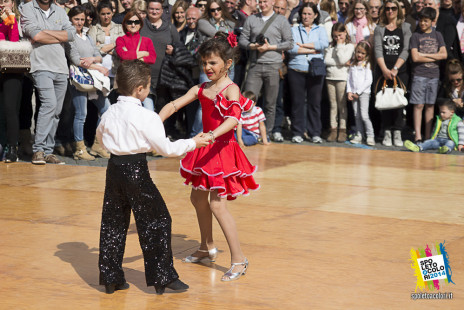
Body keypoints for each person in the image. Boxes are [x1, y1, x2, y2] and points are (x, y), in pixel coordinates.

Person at [96, 59, 209, 295]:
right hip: (136, 169)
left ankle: (111, 277)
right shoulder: (146, 116)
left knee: (113, 222)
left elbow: (100, 138)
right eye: (148, 86)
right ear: (140, 89)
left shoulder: (110, 112)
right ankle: (162, 276)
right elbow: (166, 149)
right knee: (158, 220)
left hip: (114, 168)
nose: (149, 89)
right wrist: (193, 143)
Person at [159, 32, 259, 282]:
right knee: (197, 198)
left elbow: (234, 119)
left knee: (217, 204)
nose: (207, 67)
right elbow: (174, 105)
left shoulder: (231, 89)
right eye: (204, 62)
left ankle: (239, 259)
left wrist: (212, 135)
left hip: (222, 149)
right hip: (205, 147)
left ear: (228, 63)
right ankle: (207, 247)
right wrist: (153, 123)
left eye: (212, 62)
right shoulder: (201, 88)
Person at [20, 0, 76, 165]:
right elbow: (35, 35)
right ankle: (38, 150)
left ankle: (48, 151)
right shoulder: (27, 8)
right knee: (49, 105)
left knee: (57, 112)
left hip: (61, 67)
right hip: (40, 65)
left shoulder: (59, 11)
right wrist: (59, 36)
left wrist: (45, 34)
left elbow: (71, 34)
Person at [239, 0, 293, 137]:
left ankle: (266, 134)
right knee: (248, 101)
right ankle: (247, 132)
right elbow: (242, 40)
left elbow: (289, 43)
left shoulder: (281, 20)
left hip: (273, 66)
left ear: (272, 2)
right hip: (255, 65)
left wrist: (271, 47)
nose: (263, 4)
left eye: (266, 1)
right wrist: (254, 46)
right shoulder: (251, 19)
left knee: (270, 103)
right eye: (261, 2)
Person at [65, 6, 112, 161]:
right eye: (76, 19)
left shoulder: (87, 35)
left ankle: (98, 145)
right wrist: (98, 65)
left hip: (94, 79)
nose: (79, 22)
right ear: (70, 20)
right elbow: (76, 60)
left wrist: (92, 60)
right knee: (81, 114)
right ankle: (79, 149)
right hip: (79, 79)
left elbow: (98, 54)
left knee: (106, 109)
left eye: (82, 19)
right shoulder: (70, 37)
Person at [287, 2, 328, 143]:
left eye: (309, 14)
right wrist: (312, 49)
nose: (306, 16)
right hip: (296, 69)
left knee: (315, 102)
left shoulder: (320, 30)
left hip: (315, 70)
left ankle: (315, 132)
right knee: (297, 102)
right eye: (304, 13)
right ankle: (297, 132)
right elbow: (291, 48)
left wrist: (303, 45)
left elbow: (324, 44)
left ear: (315, 15)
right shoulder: (293, 29)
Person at [374, 0, 411, 147]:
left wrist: (395, 68)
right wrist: (384, 70)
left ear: (398, 10)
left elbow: (406, 49)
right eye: (388, 8)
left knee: (398, 102)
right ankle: (387, 131)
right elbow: (378, 49)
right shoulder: (379, 28)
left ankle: (397, 132)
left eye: (393, 8)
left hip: (400, 71)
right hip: (383, 70)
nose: (390, 11)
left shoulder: (406, 27)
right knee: (385, 101)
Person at [410, 7, 447, 143]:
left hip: (434, 75)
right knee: (418, 105)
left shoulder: (438, 35)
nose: (423, 23)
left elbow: (444, 55)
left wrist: (424, 54)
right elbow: (415, 58)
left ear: (432, 21)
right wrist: (434, 57)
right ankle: (418, 135)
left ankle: (427, 136)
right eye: (421, 20)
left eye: (426, 21)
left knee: (430, 105)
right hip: (419, 74)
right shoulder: (415, 36)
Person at [115, 10, 157, 111]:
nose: (133, 25)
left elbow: (152, 58)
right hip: (127, 81)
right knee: (127, 112)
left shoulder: (147, 40)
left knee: (148, 110)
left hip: (143, 81)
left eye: (136, 22)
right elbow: (123, 56)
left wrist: (130, 54)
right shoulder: (120, 40)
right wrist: (143, 53)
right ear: (125, 24)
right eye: (130, 22)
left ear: (140, 24)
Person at [324, 22, 354, 142]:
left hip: (342, 78)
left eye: (340, 36)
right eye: (335, 36)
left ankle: (342, 129)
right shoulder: (330, 46)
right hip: (330, 77)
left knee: (342, 105)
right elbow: (326, 61)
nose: (338, 39)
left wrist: (340, 45)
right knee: (333, 105)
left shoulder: (349, 46)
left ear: (345, 33)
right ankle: (333, 129)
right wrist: (340, 63)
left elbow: (342, 58)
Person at [0, 0, 21, 162]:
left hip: (11, 69)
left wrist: (11, 20)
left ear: (12, 3)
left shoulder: (15, 19)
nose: (1, 4)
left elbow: (14, 43)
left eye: (5, 1)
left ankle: (13, 148)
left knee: (10, 108)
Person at [347, 41, 375, 145]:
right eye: (358, 52)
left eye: (363, 53)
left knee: (364, 115)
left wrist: (358, 92)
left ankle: (370, 135)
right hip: (354, 93)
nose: (360, 55)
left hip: (363, 93)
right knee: (356, 115)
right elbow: (349, 79)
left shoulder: (367, 65)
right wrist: (349, 91)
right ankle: (359, 134)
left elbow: (368, 81)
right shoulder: (353, 64)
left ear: (367, 54)